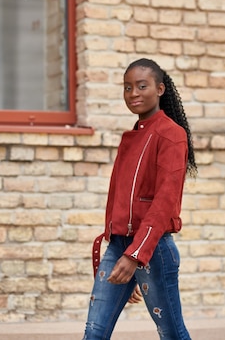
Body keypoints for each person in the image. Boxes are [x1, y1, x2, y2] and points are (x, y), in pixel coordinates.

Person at [83, 58, 198, 340]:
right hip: (119, 247)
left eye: (141, 86)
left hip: (152, 250)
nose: (133, 93)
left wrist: (135, 257)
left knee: (171, 333)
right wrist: (124, 253)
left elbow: (164, 201)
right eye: (127, 87)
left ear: (160, 89)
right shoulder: (132, 137)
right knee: (94, 332)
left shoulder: (171, 135)